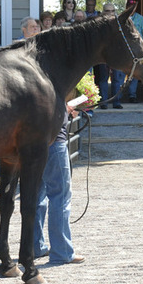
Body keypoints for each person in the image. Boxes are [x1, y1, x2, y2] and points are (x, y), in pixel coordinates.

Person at [34, 99, 86, 264]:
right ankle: (62, 251)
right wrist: (65, 110)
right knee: (60, 196)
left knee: (36, 196)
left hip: (32, 144)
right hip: (54, 142)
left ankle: (35, 246)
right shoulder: (55, 80)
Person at [123, 0, 143, 103]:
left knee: (135, 72)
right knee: (122, 72)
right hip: (125, 49)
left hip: (137, 49)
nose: (131, 8)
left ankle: (132, 95)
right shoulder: (121, 18)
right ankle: (118, 96)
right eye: (129, 6)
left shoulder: (140, 18)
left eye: (133, 7)